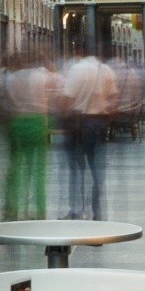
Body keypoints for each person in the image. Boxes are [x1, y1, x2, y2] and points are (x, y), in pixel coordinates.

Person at [0, 53, 56, 221]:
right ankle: (39, 210)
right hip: (38, 123)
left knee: (16, 168)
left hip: (18, 123)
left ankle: (12, 209)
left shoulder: (10, 79)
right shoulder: (42, 76)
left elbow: (6, 101)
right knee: (39, 170)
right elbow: (57, 86)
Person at [60, 54, 116, 219]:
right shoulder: (106, 70)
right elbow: (114, 100)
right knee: (98, 172)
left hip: (78, 125)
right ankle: (98, 214)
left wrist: (64, 118)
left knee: (77, 170)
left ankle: (77, 211)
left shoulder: (76, 69)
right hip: (98, 124)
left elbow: (67, 100)